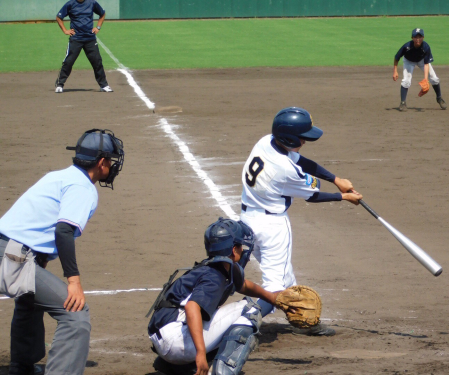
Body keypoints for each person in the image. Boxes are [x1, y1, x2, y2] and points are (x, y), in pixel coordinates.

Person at [0, 129, 124, 375]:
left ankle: (21, 367)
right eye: (109, 159)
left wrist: (39, 260)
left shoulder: (58, 176)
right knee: (75, 313)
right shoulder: (83, 188)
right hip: (10, 258)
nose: (111, 165)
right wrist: (73, 280)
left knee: (30, 298)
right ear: (101, 163)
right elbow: (63, 231)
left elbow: (34, 221)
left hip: (10, 252)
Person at [240, 107, 362, 335]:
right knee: (275, 287)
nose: (305, 142)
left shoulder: (266, 141)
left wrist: (335, 179)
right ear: (289, 137)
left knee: (285, 276)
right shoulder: (284, 170)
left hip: (247, 221)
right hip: (272, 228)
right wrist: (344, 196)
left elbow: (301, 160)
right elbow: (313, 195)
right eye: (302, 138)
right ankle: (240, 325)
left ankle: (302, 321)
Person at [147, 217, 278, 375]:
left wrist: (274, 299)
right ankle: (221, 371)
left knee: (219, 318)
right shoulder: (214, 277)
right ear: (233, 250)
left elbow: (242, 285)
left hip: (165, 340)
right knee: (248, 309)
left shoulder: (211, 268)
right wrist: (200, 353)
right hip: (175, 342)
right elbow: (191, 307)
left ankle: (179, 368)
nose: (243, 251)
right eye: (240, 246)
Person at [54, 0, 113, 93]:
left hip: (90, 39)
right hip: (76, 39)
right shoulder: (70, 4)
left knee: (97, 61)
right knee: (68, 62)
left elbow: (102, 14)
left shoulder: (92, 3)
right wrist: (65, 30)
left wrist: (98, 27)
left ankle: (104, 85)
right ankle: (59, 84)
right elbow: (59, 17)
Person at [393, 28, 447, 112]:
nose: (418, 39)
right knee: (406, 80)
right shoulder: (406, 46)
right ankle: (403, 103)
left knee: (434, 78)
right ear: (412, 38)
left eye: (420, 37)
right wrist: (395, 71)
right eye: (416, 37)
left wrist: (425, 79)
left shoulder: (426, 47)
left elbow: (426, 64)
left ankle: (439, 98)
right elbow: (396, 58)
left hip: (421, 61)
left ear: (423, 37)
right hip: (409, 61)